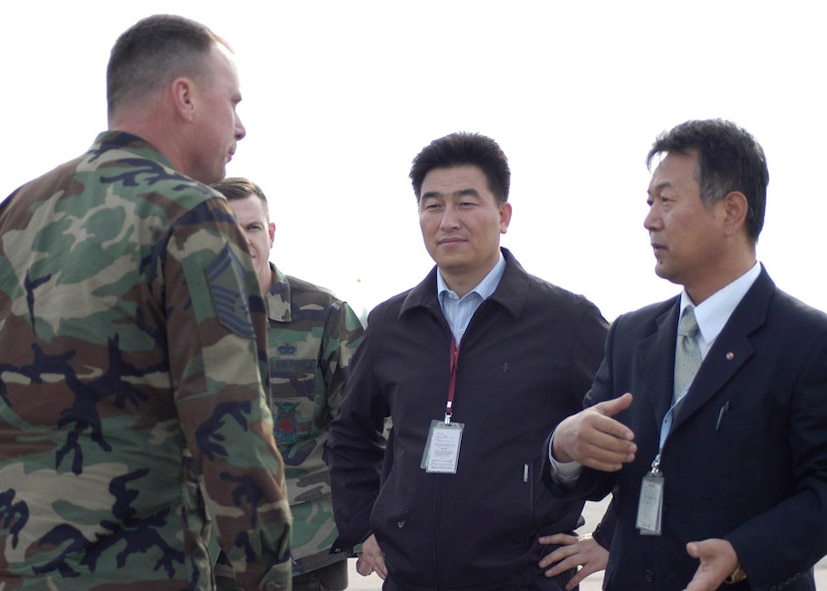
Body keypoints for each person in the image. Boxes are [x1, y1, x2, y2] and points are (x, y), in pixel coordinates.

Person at [0, 15, 292, 590]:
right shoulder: (191, 215)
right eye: (232, 103)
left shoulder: (16, 212)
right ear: (184, 96)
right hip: (143, 571)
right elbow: (232, 431)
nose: (241, 127)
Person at [546, 119, 827, 591]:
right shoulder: (631, 335)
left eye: (667, 201)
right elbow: (591, 477)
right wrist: (564, 448)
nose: (649, 219)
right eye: (649, 202)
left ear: (731, 211)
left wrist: (743, 554)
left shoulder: (807, 342)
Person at [326, 131, 609, 591]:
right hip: (410, 579)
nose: (447, 220)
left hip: (523, 578)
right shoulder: (390, 323)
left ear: (504, 215)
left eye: (466, 203)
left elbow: (642, 431)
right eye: (432, 204)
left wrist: (609, 536)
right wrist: (363, 526)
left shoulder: (568, 322)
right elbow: (350, 435)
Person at [210, 177, 364, 591]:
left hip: (304, 548)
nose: (242, 240)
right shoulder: (179, 318)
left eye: (253, 227)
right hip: (208, 552)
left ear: (271, 234)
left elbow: (366, 427)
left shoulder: (323, 315)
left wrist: (371, 525)